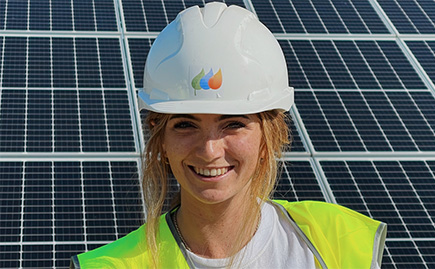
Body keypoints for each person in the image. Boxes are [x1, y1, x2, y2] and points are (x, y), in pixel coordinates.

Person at [70, 2, 386, 268]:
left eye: (233, 124)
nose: (209, 150)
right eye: (185, 124)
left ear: (269, 137)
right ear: (161, 140)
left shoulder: (339, 239)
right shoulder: (113, 264)